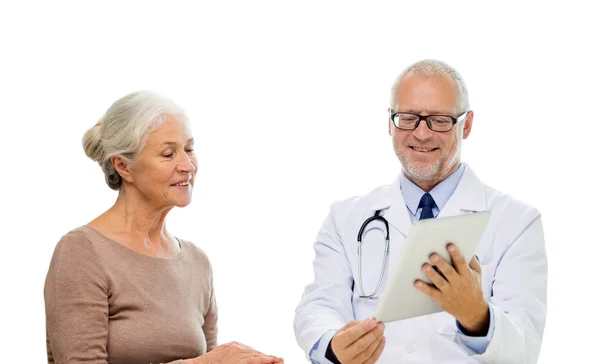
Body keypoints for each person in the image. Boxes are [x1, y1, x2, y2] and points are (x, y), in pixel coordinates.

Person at [293, 59, 547, 363]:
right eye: (408, 117)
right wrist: (333, 345)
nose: (422, 134)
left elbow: (525, 348)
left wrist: (477, 316)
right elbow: (318, 305)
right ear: (389, 122)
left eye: (439, 120)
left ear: (466, 125)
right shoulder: (345, 217)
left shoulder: (517, 222)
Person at [44, 91, 284, 364]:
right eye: (168, 154)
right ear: (123, 166)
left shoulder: (197, 262)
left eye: (189, 149)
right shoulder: (82, 252)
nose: (188, 165)